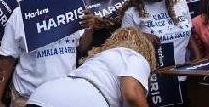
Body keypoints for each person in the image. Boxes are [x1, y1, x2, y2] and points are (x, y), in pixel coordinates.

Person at [0, 0, 95, 107]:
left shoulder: (71, 8)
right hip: (28, 98)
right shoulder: (19, 15)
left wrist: (90, 26)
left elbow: (82, 47)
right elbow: (7, 58)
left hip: (65, 97)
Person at [26, 27, 155, 107]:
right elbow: (131, 94)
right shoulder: (134, 56)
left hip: (43, 94)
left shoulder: (99, 57)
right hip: (81, 102)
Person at [120, 0, 192, 66]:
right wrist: (141, 36)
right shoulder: (133, 12)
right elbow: (123, 46)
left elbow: (188, 29)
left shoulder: (179, 1)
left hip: (184, 73)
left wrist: (196, 57)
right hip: (153, 77)